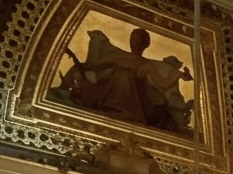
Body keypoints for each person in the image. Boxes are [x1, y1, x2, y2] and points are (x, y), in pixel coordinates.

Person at [62, 27, 193, 132]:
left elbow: (162, 83)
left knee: (124, 75)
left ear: (145, 45)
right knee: (121, 74)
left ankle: (121, 111)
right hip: (110, 97)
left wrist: (180, 75)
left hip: (140, 105)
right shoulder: (120, 56)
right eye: (133, 39)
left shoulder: (148, 65)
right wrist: (75, 58)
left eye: (139, 40)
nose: (135, 42)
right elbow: (96, 65)